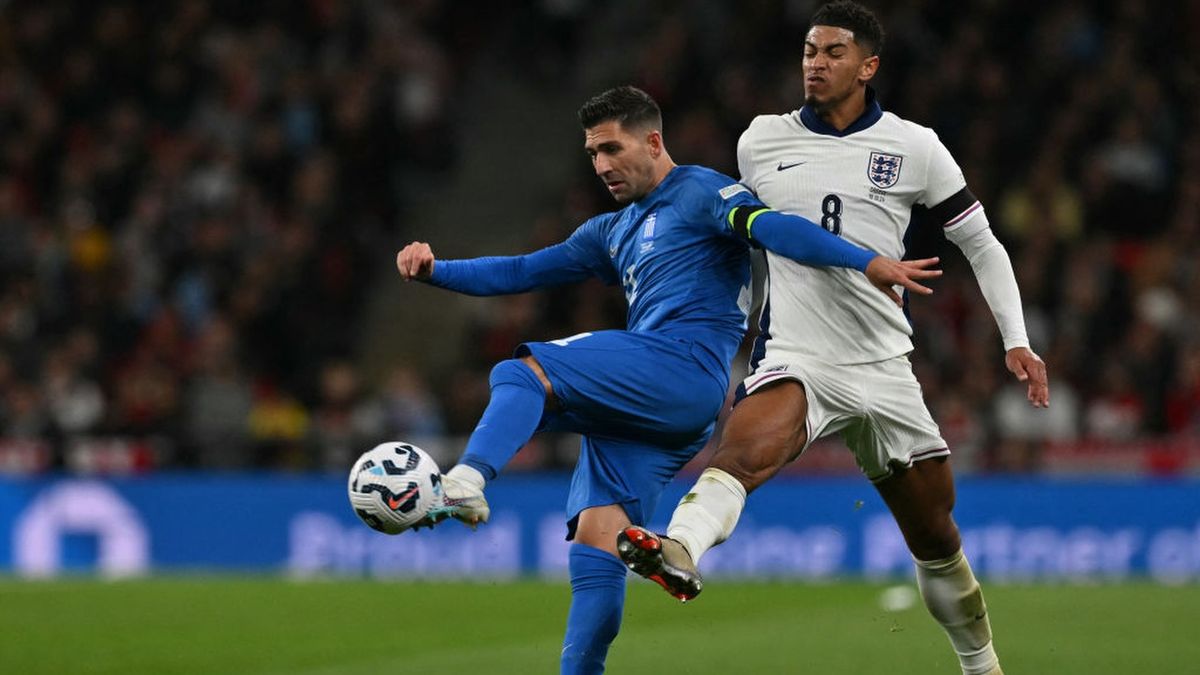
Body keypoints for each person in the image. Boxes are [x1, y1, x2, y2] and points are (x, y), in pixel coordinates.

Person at [395, 85, 940, 675]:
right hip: (654, 406)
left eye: (612, 148)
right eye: (593, 153)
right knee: (598, 545)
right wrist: (435, 270)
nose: (601, 165)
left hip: (681, 367)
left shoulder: (701, 192)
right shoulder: (610, 231)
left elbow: (775, 228)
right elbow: (523, 270)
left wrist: (864, 260)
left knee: (522, 372)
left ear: (653, 142)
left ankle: (466, 480)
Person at [615, 5, 1048, 675]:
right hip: (798, 355)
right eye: (809, 52)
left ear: (868, 66)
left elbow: (982, 243)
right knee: (745, 451)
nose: (815, 64)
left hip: (884, 365)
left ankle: (982, 666)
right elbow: (739, 233)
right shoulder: (761, 140)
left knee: (936, 536)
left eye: (833, 53)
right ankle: (679, 546)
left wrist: (1015, 338)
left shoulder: (915, 146)